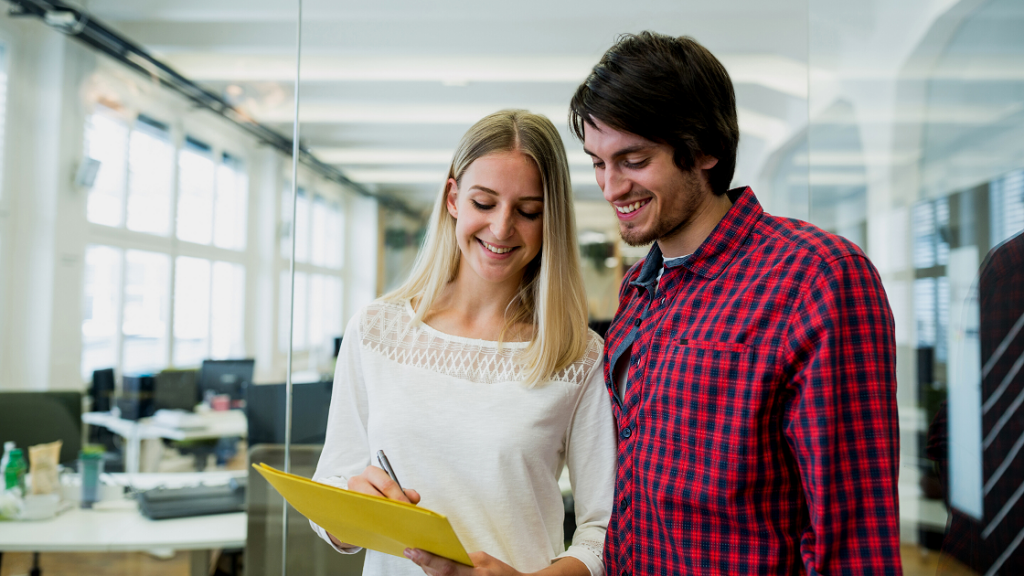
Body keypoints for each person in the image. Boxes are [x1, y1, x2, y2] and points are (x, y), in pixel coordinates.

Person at [569, 32, 902, 574]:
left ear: (704, 149)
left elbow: (854, 534)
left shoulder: (815, 275)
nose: (610, 188)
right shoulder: (639, 292)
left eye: (633, 159)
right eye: (597, 163)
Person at [310, 109, 616, 576]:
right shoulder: (376, 331)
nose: (501, 229)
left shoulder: (578, 356)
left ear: (550, 218)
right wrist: (351, 513)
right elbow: (332, 481)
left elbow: (604, 530)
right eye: (484, 203)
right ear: (453, 198)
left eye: (528, 211)